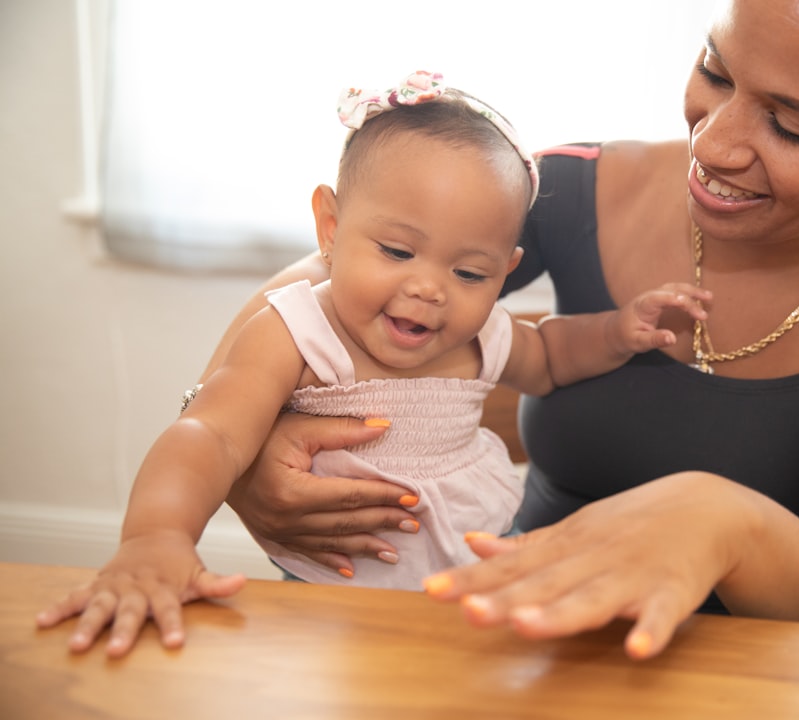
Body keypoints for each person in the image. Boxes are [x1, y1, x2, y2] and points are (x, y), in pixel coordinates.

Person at [216, 0, 799, 661]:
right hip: (495, 644)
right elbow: (307, 294)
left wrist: (726, 522)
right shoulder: (568, 189)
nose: (714, 142)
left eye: (792, 128)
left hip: (739, 686)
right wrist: (243, 448)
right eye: (715, 71)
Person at [34, 71, 711, 658]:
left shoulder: (481, 336)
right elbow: (209, 433)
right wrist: (156, 536)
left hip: (484, 564)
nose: (429, 288)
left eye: (469, 270)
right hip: (337, 584)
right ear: (330, 227)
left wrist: (621, 331)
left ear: (505, 270)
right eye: (396, 251)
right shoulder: (298, 333)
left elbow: (553, 356)